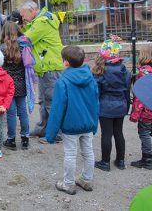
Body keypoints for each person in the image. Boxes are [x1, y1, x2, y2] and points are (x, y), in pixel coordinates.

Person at [45, 46, 99, 195]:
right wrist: (94, 124)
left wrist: (50, 134)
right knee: (88, 152)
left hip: (70, 126)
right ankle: (87, 180)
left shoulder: (62, 82)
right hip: (87, 124)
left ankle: (68, 184)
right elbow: (95, 103)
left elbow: (57, 109)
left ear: (66, 62)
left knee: (70, 154)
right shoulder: (91, 79)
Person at [19, 0, 63, 140]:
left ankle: (55, 133)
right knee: (44, 101)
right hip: (46, 67)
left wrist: (13, 32)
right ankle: (43, 129)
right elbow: (29, 32)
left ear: (32, 11)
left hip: (50, 67)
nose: (23, 18)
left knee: (51, 101)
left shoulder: (42, 22)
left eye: (23, 15)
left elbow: (26, 39)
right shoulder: (38, 21)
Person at [91, 36, 131, 172]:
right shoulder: (124, 71)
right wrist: (126, 107)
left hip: (105, 106)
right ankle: (120, 161)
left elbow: (96, 93)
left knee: (106, 134)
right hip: (121, 105)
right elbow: (127, 91)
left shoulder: (99, 72)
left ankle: (105, 162)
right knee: (119, 133)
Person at [0, 21, 34, 151]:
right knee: (23, 111)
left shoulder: (2, 48)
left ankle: (11, 139)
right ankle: (25, 139)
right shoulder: (24, 45)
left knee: (11, 113)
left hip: (7, 84)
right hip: (22, 82)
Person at [129, 44, 152, 170]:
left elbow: (140, 97)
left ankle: (147, 159)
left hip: (145, 112)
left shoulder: (143, 73)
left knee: (145, 134)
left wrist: (134, 114)